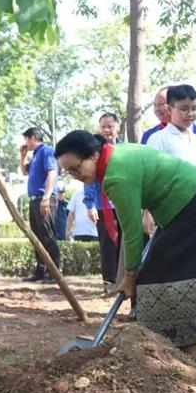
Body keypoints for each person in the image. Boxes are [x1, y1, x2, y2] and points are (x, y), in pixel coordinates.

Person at [55, 130, 196, 363]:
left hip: (193, 205)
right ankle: (183, 353)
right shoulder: (116, 155)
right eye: (69, 172)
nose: (75, 176)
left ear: (94, 155)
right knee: (158, 276)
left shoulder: (116, 176)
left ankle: (170, 354)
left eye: (76, 168)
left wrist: (130, 274)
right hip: (192, 201)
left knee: (152, 279)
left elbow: (132, 230)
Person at [84, 113, 122, 291]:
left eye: (110, 126)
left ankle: (125, 279)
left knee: (125, 242)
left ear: (118, 127)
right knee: (107, 244)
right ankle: (109, 281)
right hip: (102, 204)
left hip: (124, 202)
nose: (107, 130)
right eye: (103, 127)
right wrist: (90, 204)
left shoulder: (124, 149)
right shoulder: (94, 151)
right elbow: (88, 179)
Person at [141, 85, 196, 174]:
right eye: (184, 109)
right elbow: (150, 174)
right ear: (169, 109)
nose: (190, 114)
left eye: (194, 109)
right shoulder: (158, 139)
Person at [20, 127, 60, 284]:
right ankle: (41, 269)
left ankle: (54, 271)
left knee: (47, 234)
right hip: (34, 200)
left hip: (44, 199)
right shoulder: (35, 156)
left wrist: (47, 197)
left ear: (33, 137)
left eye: (26, 139)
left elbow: (52, 172)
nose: (25, 143)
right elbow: (24, 172)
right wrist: (22, 156)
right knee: (37, 236)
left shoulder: (46, 151)